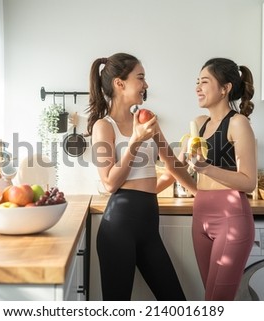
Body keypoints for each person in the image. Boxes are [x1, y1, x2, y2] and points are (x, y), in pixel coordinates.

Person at [86, 52, 192, 301]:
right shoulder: (104, 126)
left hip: (148, 228)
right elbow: (110, 182)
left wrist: (201, 192)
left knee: (176, 302)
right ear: (119, 83)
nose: (146, 84)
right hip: (118, 228)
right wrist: (135, 140)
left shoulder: (147, 119)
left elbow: (173, 165)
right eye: (140, 77)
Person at [156, 57, 257, 301]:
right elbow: (178, 169)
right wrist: (156, 136)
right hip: (201, 214)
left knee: (216, 302)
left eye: (204, 81)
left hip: (231, 218)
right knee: (209, 298)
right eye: (197, 82)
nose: (197, 88)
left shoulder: (238, 123)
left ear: (225, 88)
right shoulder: (198, 125)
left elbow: (248, 181)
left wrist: (205, 167)